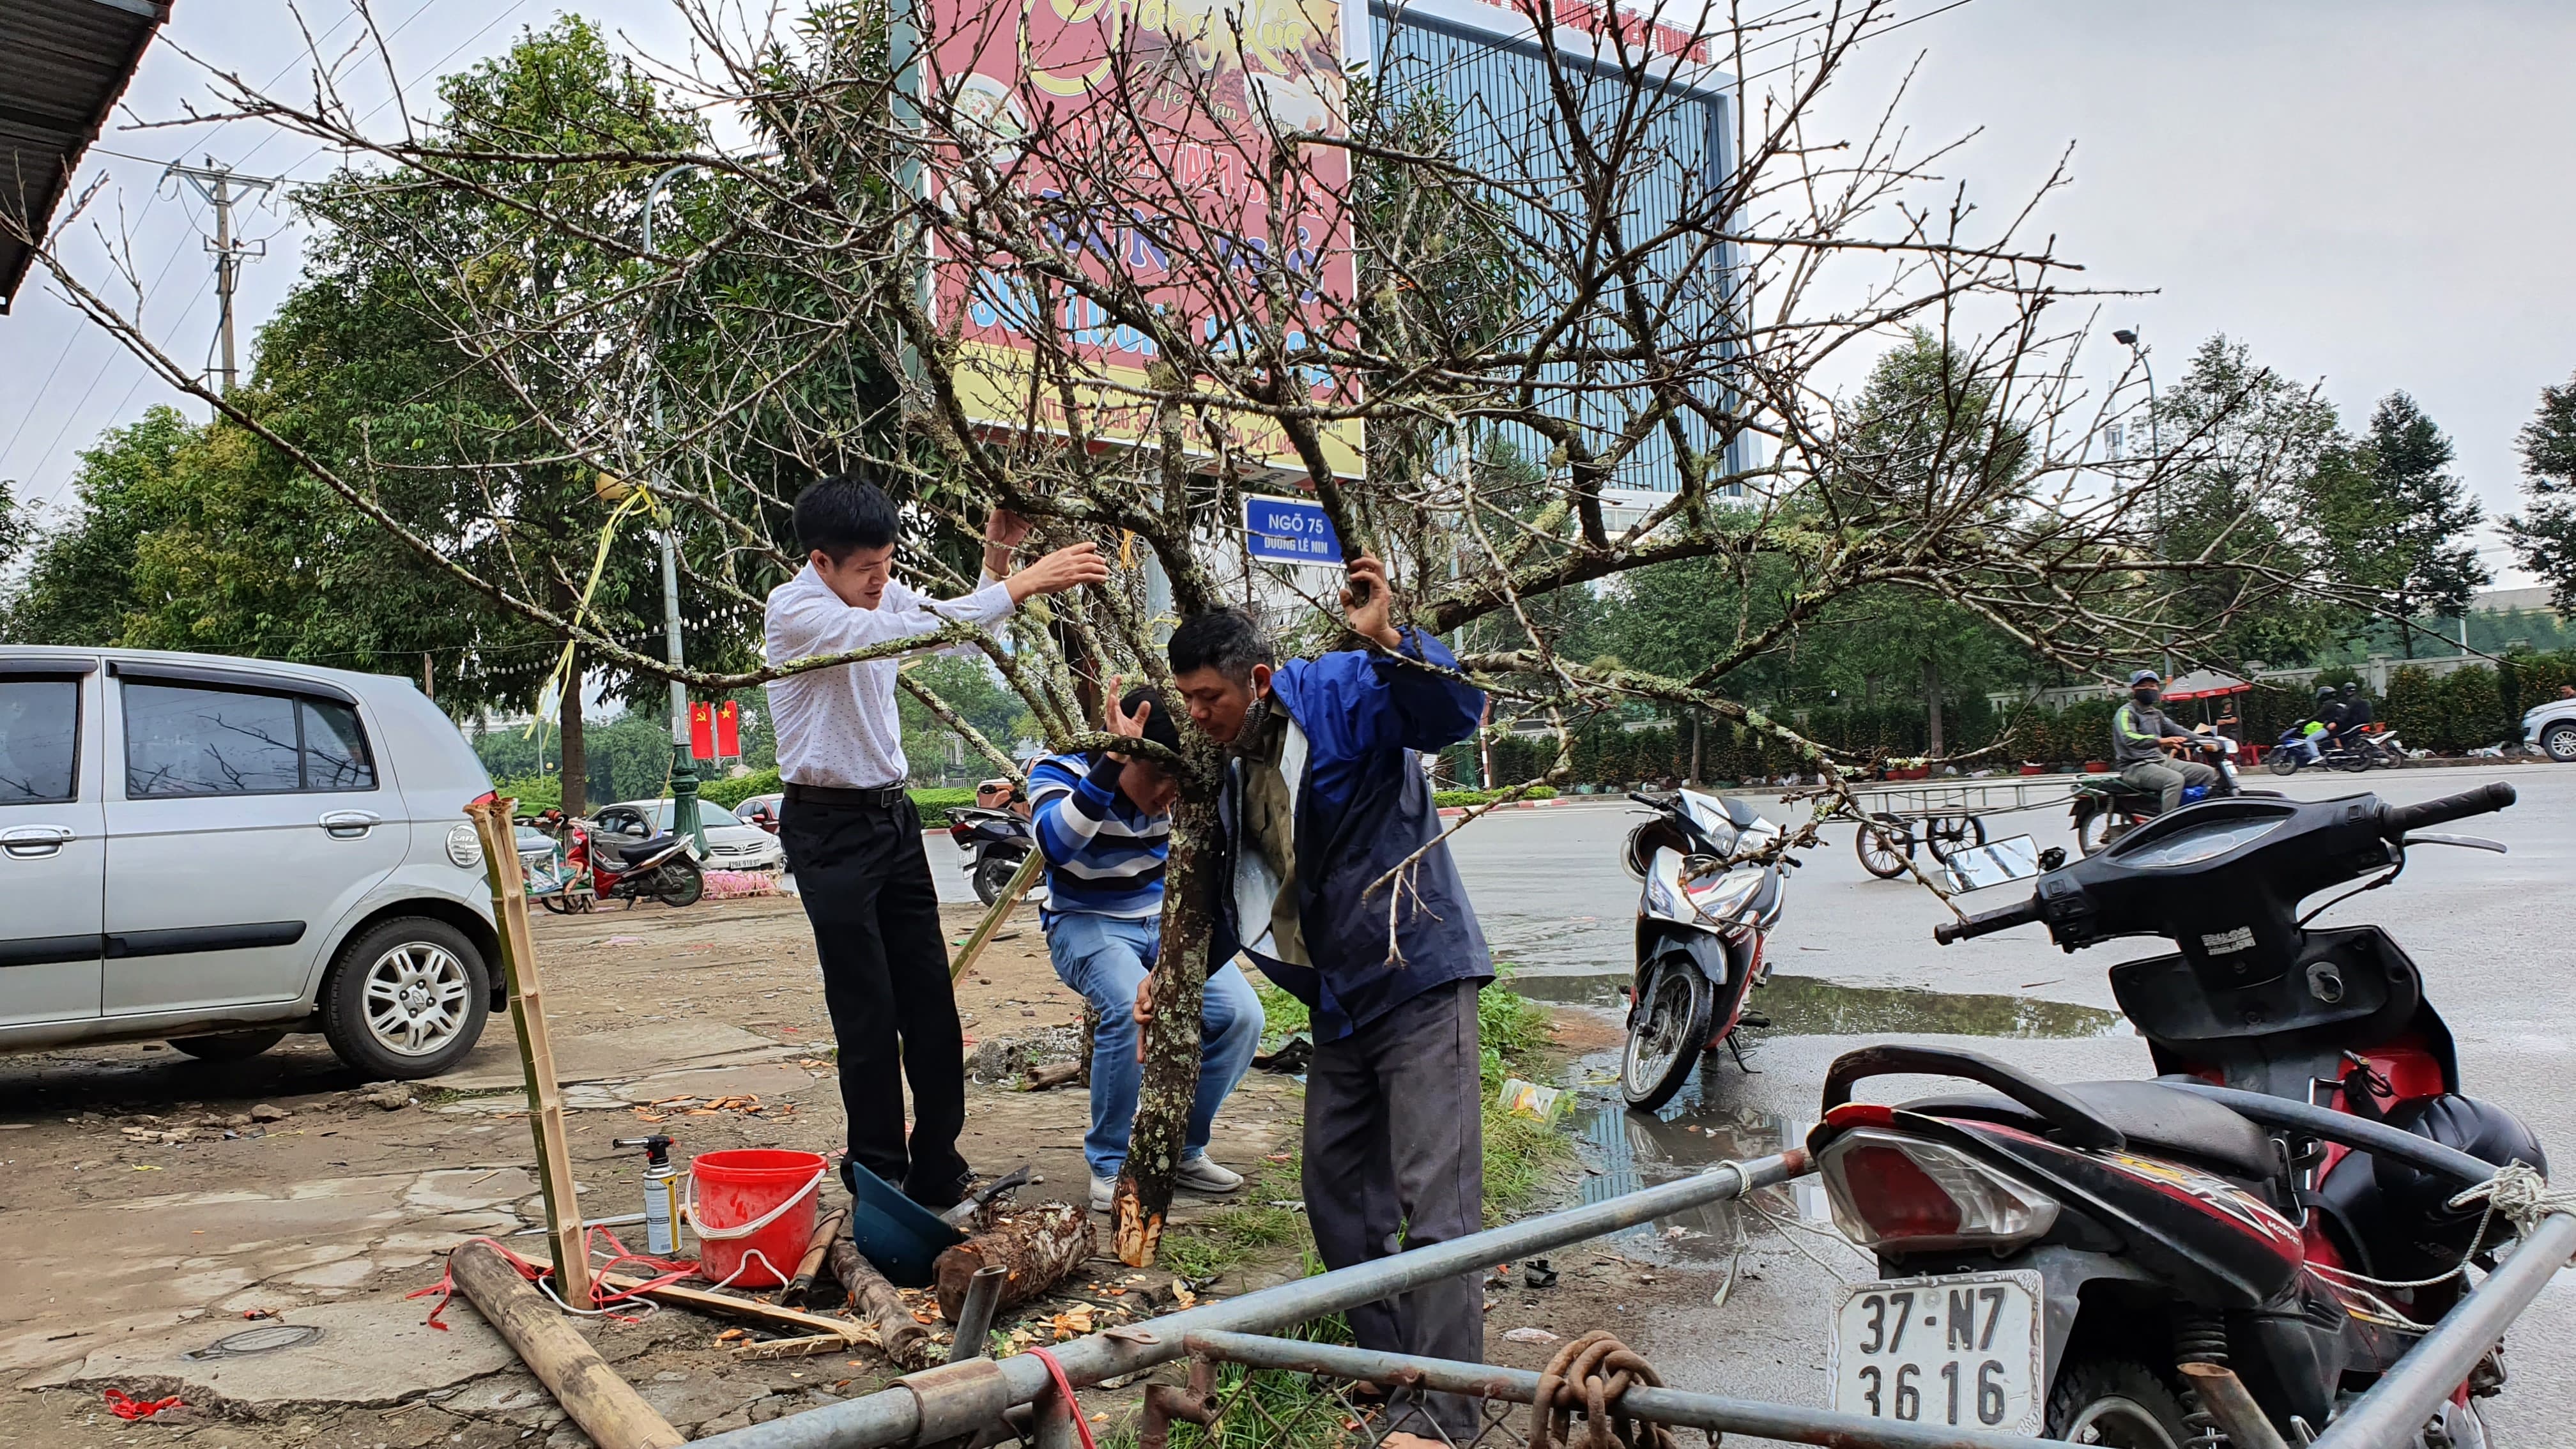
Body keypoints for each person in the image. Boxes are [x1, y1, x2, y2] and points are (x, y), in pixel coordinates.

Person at [1167, 558, 1489, 1449]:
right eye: (1185, 698)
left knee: (1438, 1203)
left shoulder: (1342, 690)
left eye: (1207, 697)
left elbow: (1453, 711)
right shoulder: (1229, 763)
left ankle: (1448, 1418)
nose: (1197, 714)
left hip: (1417, 975)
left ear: (1259, 681)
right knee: (1338, 1193)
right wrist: (1178, 974)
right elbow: (1255, 889)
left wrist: (1392, 638)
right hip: (1342, 1003)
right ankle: (1396, 1374)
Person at [764, 475, 1107, 1209]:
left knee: (929, 999)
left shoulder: (877, 596)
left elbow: (952, 631)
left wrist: (995, 563)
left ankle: (939, 1166)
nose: (881, 581)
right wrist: (1025, 584)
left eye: (887, 564)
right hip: (827, 828)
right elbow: (912, 632)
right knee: (866, 1009)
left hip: (891, 819)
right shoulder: (797, 611)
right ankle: (878, 1175)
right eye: (866, 569)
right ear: (822, 563)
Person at [1029, 686, 1262, 1214]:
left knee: (1240, 1015)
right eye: (1157, 777)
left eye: (1174, 781)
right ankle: (1113, 1164)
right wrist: (1110, 766)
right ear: (1127, 754)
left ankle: (1176, 1148)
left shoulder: (1187, 788)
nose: (1167, 797)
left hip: (1164, 921)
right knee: (1124, 1011)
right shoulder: (1057, 771)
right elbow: (1056, 846)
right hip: (1085, 923)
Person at [2113, 669, 2218, 813]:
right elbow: (2129, 737)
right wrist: (2160, 741)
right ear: (2134, 689)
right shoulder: (2126, 712)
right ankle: (2168, 824)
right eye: (2143, 686)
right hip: (2135, 766)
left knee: (2207, 772)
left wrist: (2210, 740)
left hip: (2160, 761)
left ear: (2158, 688)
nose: (2148, 689)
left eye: (2152, 685)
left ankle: (2192, 813)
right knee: (2174, 780)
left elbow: (2179, 731)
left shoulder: (2157, 714)